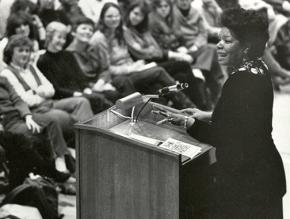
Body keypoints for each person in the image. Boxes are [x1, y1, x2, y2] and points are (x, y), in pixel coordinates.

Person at [168, 8, 286, 218]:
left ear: (246, 46)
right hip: (265, 173)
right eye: (219, 39)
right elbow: (245, 116)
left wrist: (188, 123)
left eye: (228, 41)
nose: (219, 45)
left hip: (248, 183)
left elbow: (223, 136)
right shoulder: (258, 68)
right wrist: (208, 114)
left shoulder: (239, 80)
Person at [89, 2, 194, 109]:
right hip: (118, 77)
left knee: (157, 86)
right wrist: (131, 68)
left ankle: (170, 116)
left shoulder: (118, 32)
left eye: (116, 16)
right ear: (102, 18)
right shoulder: (99, 39)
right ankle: (189, 107)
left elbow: (128, 56)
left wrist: (136, 65)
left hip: (132, 71)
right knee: (159, 71)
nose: (114, 19)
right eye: (109, 16)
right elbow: (106, 70)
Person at [123, 1, 208, 109]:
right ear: (128, 12)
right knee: (184, 65)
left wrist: (153, 51)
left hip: (153, 62)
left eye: (141, 16)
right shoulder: (126, 31)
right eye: (135, 13)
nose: (138, 18)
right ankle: (197, 108)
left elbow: (157, 49)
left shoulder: (142, 30)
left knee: (181, 76)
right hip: (147, 65)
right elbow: (142, 52)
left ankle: (191, 112)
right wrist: (155, 51)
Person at [37, 21, 114, 113]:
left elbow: (80, 78)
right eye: (59, 37)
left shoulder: (68, 55)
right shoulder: (43, 61)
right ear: (49, 37)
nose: (62, 41)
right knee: (98, 99)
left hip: (80, 92)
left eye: (64, 38)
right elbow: (56, 89)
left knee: (111, 94)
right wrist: (78, 94)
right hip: (66, 96)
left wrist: (86, 90)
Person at [66, 17, 136, 102]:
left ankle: (138, 112)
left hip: (101, 83)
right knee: (112, 95)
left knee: (123, 82)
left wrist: (101, 81)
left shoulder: (92, 48)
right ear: (74, 32)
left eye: (90, 30)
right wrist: (95, 87)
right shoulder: (68, 55)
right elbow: (77, 81)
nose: (87, 32)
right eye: (84, 28)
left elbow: (105, 69)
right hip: (86, 89)